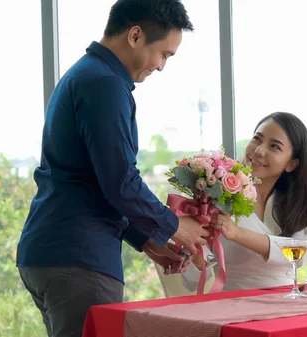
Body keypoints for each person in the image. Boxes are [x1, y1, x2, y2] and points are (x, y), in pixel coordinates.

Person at [16, 1, 209, 336]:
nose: (162, 66)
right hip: (79, 258)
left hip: (53, 250)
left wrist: (146, 240)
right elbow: (120, 181)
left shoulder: (86, 74)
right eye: (164, 54)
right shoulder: (104, 83)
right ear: (135, 35)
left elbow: (93, 181)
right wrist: (174, 225)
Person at [181, 112, 307, 292]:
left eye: (274, 147)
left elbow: (300, 253)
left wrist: (237, 233)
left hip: (287, 305)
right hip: (233, 306)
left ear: (291, 164)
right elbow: (191, 281)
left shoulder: (294, 206)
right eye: (257, 139)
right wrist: (194, 251)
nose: (259, 150)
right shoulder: (218, 200)